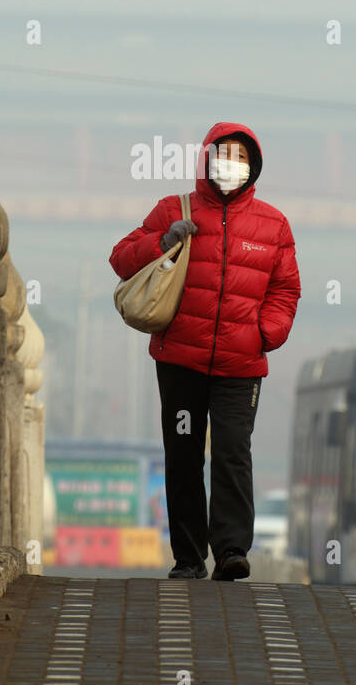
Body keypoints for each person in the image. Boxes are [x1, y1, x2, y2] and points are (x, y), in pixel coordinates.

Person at [109, 121, 301, 580]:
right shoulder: (173, 209)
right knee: (183, 453)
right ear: (206, 160)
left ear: (252, 166)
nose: (229, 165)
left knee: (233, 452)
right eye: (222, 155)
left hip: (241, 366)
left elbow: (285, 289)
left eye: (239, 157)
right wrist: (164, 240)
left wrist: (264, 333)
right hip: (180, 362)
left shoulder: (273, 225)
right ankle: (189, 558)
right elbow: (120, 258)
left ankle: (232, 550)